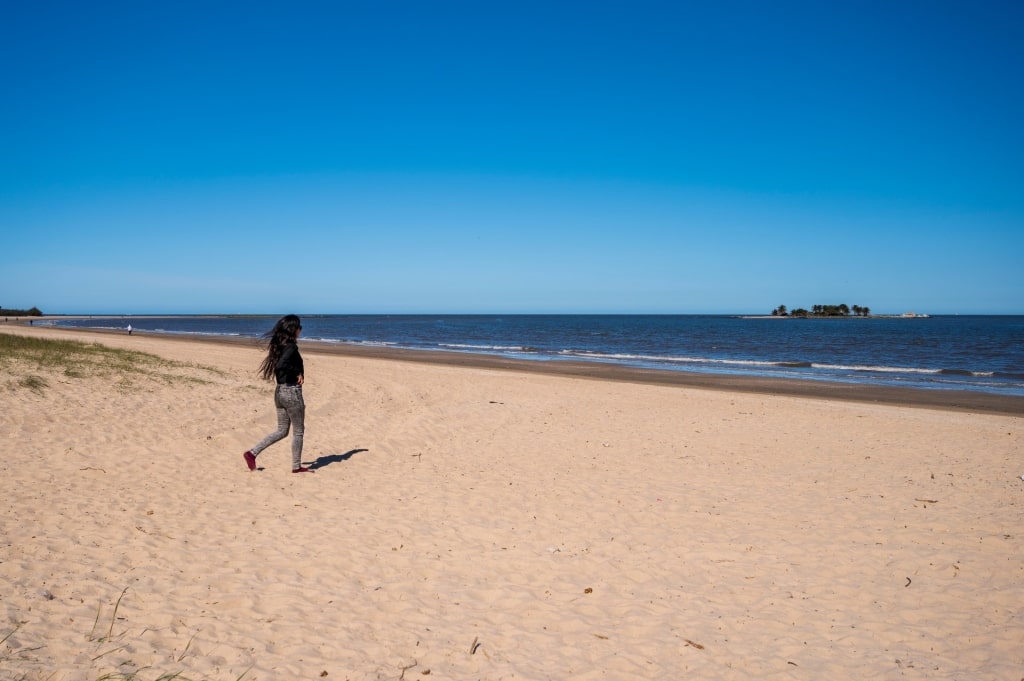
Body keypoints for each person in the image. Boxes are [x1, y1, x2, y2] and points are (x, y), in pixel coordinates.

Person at [242, 314, 312, 473]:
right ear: (293, 329)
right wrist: (297, 373)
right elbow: (282, 365)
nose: (301, 330)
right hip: (291, 393)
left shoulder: (279, 345)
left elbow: (280, 365)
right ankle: (296, 467)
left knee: (282, 431)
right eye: (299, 327)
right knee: (298, 431)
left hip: (279, 393)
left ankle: (252, 453)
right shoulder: (291, 347)